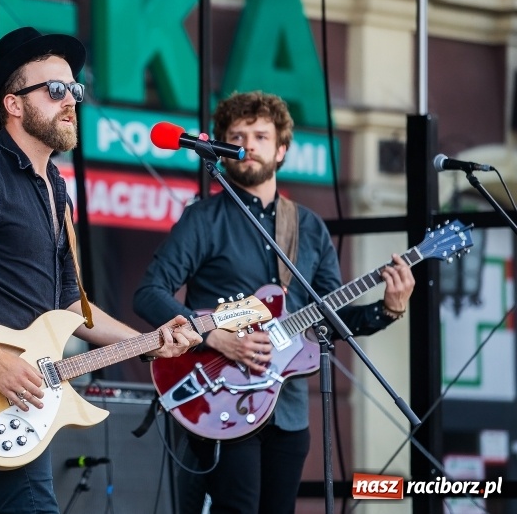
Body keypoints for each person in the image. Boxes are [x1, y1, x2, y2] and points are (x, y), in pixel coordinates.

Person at [0, 27, 202, 514]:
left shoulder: (55, 189)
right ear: (14, 104)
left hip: (13, 400)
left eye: (74, 89)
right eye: (55, 89)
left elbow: (69, 306)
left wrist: (147, 341)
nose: (71, 101)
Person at [133, 91, 415, 514]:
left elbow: (329, 321)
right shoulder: (204, 220)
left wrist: (389, 308)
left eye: (261, 136)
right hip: (221, 397)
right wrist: (214, 337)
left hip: (287, 408)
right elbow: (149, 294)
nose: (247, 144)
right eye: (237, 135)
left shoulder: (308, 227)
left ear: (281, 148)